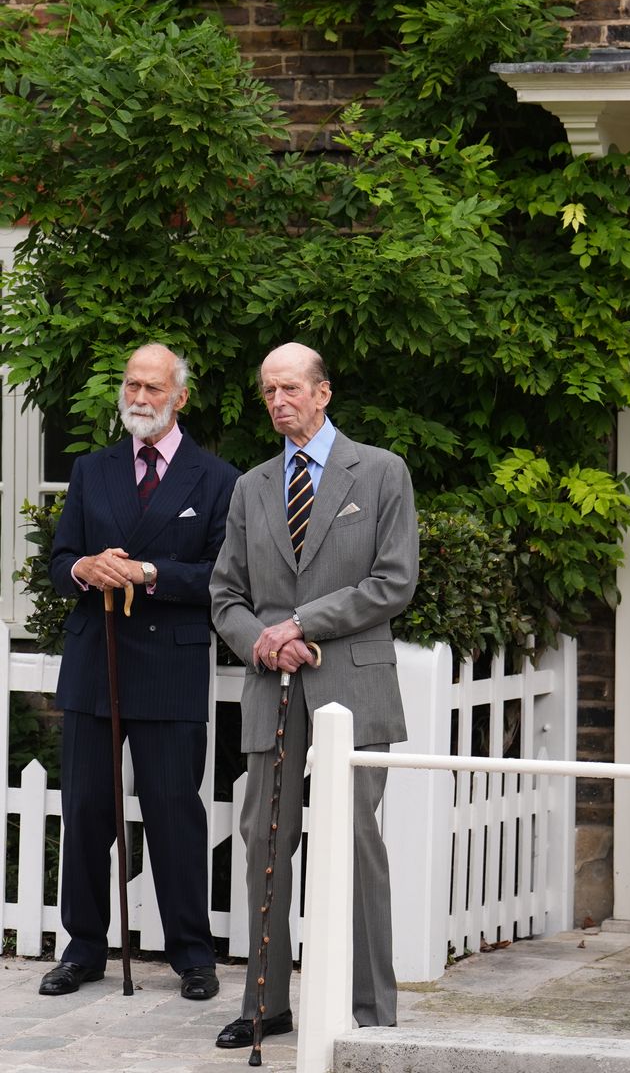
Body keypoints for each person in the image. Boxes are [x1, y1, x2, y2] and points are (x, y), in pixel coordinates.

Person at [209, 341, 418, 1047]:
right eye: (268, 391)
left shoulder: (382, 472)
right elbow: (225, 593)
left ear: (323, 394)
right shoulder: (251, 487)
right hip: (273, 687)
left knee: (357, 842)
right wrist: (264, 639)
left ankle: (371, 1012)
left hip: (352, 686)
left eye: (290, 388)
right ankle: (264, 1003)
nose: (278, 402)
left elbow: (394, 583)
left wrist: (302, 622)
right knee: (264, 838)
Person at [40, 343, 239, 1000]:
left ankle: (192, 955)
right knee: (87, 810)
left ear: (179, 397)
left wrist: (146, 572)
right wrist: (83, 569)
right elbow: (59, 557)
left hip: (170, 667)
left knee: (174, 813)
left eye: (154, 387)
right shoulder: (92, 471)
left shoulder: (216, 480)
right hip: (96, 660)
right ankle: (84, 948)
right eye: (132, 385)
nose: (140, 398)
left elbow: (223, 578)